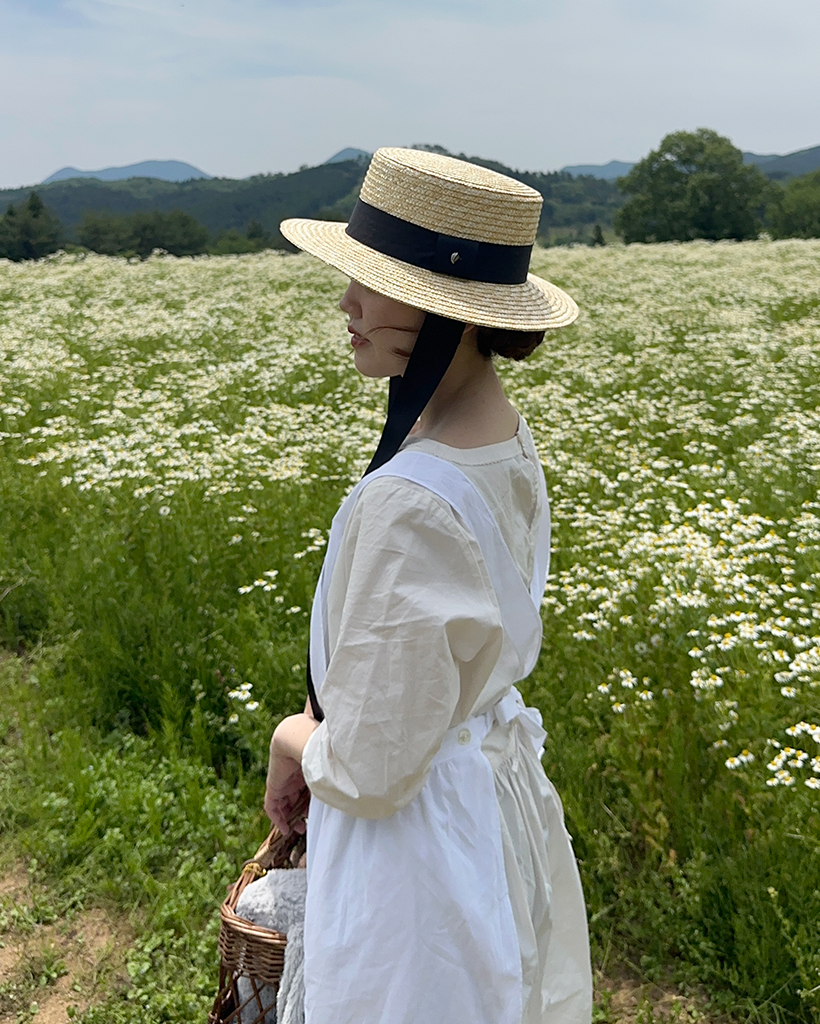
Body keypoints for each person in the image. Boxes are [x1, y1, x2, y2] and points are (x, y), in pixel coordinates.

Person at [264, 148, 592, 1024]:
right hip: (480, 811)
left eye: (368, 283)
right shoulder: (499, 436)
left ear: (440, 306)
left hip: (413, 856)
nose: (346, 305)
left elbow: (372, 766)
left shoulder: (410, 501)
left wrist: (290, 737)